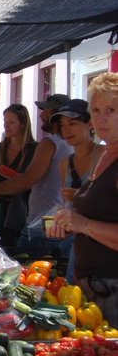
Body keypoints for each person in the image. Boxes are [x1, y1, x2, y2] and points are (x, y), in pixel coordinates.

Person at [47, 73, 118, 324]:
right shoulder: (108, 156)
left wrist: (83, 225)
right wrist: (70, 218)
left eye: (110, 109)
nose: (101, 118)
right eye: (96, 109)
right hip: (94, 285)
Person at [0, 94, 72, 256]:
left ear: (58, 116)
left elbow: (27, 180)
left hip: (41, 224)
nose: (42, 115)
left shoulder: (49, 143)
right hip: (54, 223)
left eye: (46, 110)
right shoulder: (69, 145)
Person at [49, 99, 105, 283]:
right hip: (76, 246)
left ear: (90, 124)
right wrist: (59, 219)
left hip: (104, 246)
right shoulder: (65, 163)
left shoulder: (106, 156)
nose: (66, 130)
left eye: (72, 123)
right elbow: (67, 206)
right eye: (63, 125)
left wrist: (81, 197)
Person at [0, 104, 38, 249]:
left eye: (11, 122)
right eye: (4, 121)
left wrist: (19, 180)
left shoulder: (35, 149)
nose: (6, 126)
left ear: (23, 124)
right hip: (0, 210)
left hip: (25, 212)